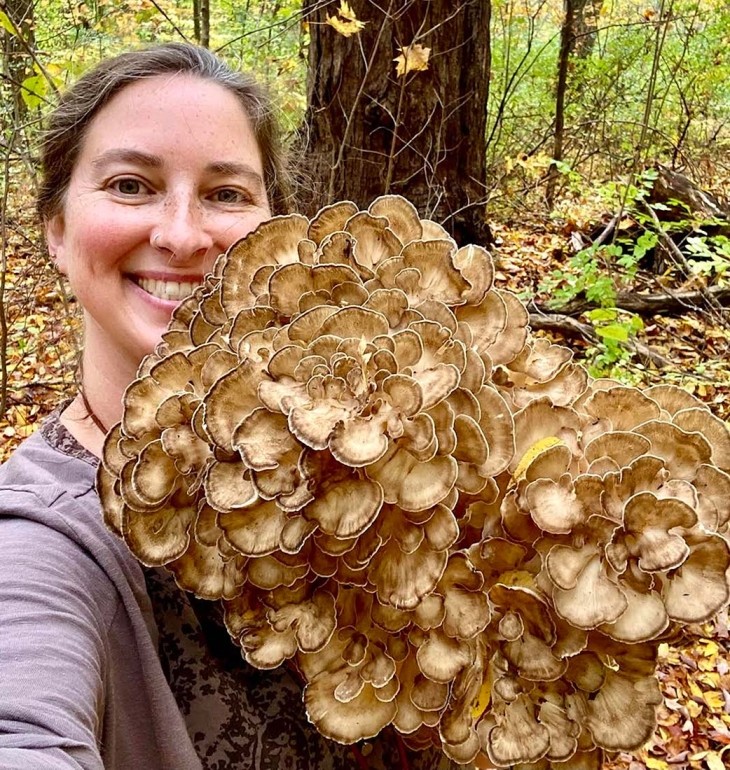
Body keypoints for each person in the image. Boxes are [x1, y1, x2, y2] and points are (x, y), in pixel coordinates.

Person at [0, 43, 448, 770]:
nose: (181, 235)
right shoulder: (44, 541)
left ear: (279, 230)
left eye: (227, 194)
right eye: (129, 185)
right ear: (56, 228)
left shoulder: (379, 465)